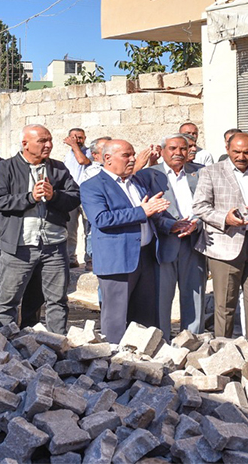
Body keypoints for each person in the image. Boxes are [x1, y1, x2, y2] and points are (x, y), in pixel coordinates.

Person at [81, 139, 192, 343]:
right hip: (117, 260)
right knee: (116, 318)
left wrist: (171, 226)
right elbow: (101, 219)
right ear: (108, 158)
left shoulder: (137, 182)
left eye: (133, 154)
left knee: (145, 316)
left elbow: (151, 215)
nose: (133, 159)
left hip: (145, 257)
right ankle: (113, 357)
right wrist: (142, 211)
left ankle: (142, 356)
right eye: (127, 155)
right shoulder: (92, 185)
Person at [0, 124, 80, 334]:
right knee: (8, 300)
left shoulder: (58, 168)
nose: (48, 145)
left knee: (57, 300)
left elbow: (75, 197)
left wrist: (54, 196)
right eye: (42, 141)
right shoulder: (6, 168)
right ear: (25, 144)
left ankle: (55, 342)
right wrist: (30, 197)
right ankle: (1, 344)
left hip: (54, 246)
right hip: (19, 247)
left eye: (50, 140)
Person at [191, 132, 248, 346]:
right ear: (227, 149)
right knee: (225, 304)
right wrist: (225, 219)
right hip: (224, 244)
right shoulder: (211, 172)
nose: (241, 156)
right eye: (236, 152)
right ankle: (222, 349)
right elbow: (200, 207)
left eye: (246, 152)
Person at [135, 134, 208, 339]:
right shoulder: (149, 175)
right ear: (162, 151)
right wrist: (170, 225)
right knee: (161, 297)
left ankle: (192, 341)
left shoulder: (201, 172)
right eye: (173, 148)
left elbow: (210, 204)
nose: (178, 153)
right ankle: (162, 341)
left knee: (195, 295)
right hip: (164, 243)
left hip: (194, 242)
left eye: (183, 149)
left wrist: (196, 224)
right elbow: (145, 208)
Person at [63, 128, 91, 269]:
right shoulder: (68, 155)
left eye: (80, 137)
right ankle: (70, 258)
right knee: (70, 229)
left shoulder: (89, 152)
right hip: (71, 195)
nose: (77, 140)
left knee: (89, 229)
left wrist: (74, 145)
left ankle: (90, 259)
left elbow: (82, 161)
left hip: (86, 195)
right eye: (74, 137)